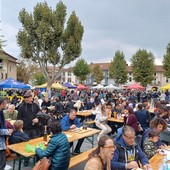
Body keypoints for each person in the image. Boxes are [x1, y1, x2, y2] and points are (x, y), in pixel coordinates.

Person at [0, 97, 13, 170]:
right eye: (6, 103)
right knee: (2, 163)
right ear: (2, 104)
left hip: (2, 141)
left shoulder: (1, 111)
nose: (7, 105)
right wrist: (8, 131)